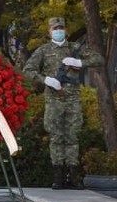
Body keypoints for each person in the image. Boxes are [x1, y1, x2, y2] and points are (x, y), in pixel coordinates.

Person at [22, 16, 104, 189]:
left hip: (73, 99)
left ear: (65, 30)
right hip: (54, 100)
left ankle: (74, 177)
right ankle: (58, 177)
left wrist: (80, 62)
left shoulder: (74, 48)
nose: (58, 31)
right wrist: (46, 80)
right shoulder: (43, 51)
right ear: (49, 31)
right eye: (55, 28)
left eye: (61, 28)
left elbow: (99, 59)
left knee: (73, 137)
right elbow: (27, 70)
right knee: (56, 137)